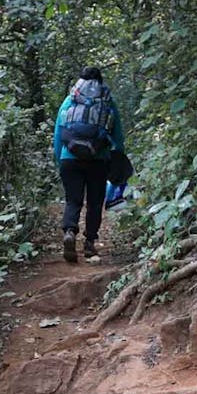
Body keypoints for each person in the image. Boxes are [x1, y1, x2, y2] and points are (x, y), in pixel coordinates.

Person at [52, 66, 125, 262]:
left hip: (70, 158)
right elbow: (117, 135)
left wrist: (61, 158)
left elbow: (58, 134)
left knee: (73, 200)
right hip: (98, 159)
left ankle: (69, 231)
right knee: (94, 203)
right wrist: (117, 157)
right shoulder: (107, 102)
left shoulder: (70, 100)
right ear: (100, 81)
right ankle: (90, 243)